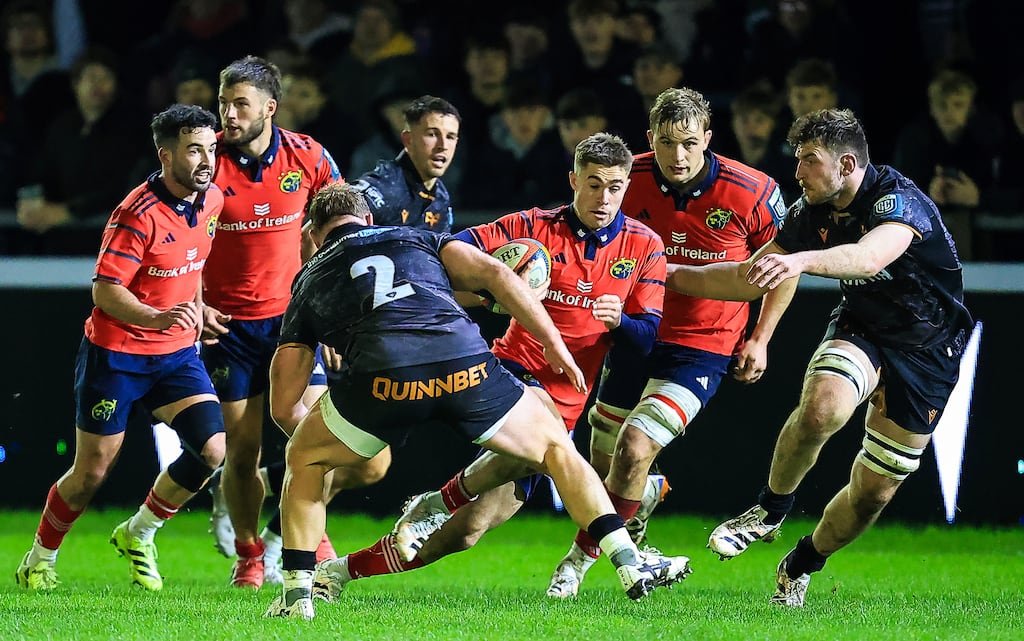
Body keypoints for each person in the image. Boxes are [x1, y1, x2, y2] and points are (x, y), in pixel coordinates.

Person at [263, 182, 687, 620]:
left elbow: (284, 399)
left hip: (382, 380)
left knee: (304, 459)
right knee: (557, 448)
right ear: (370, 219)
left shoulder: (308, 280)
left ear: (314, 235)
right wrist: (553, 341)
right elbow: (498, 275)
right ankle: (626, 560)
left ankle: (297, 595)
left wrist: (322, 438)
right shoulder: (415, 237)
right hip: (463, 363)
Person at [677, 108, 974, 607]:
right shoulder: (809, 211)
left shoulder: (900, 202)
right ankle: (769, 510)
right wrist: (664, 273)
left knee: (874, 494)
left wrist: (799, 260)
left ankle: (801, 562)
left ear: (848, 163)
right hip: (863, 328)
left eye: (809, 160)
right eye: (797, 159)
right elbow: (747, 276)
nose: (797, 172)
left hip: (929, 350)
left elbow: (867, 258)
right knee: (821, 408)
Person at [545, 86, 793, 598]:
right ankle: (641, 524)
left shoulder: (753, 191)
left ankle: (577, 563)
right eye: (665, 143)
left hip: (705, 343)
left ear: (707, 137)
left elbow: (783, 267)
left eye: (688, 143)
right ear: (649, 139)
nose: (677, 157)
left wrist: (762, 336)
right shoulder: (621, 178)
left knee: (636, 448)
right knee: (605, 459)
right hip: (636, 331)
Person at [14, 103, 225, 591]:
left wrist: (198, 310)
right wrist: (157, 316)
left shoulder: (210, 200)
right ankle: (40, 558)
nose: (207, 160)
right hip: (118, 355)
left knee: (213, 450)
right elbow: (106, 290)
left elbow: (193, 264)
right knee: (91, 472)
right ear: (165, 155)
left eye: (211, 148)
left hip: (175, 355)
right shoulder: (136, 213)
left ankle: (139, 531)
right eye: (194, 150)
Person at [201, 55, 342, 589]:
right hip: (228, 329)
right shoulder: (205, 159)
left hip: (294, 324)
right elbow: (177, 228)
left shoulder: (309, 156)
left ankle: (306, 537)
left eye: (240, 105)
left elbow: (342, 227)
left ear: (270, 108)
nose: (229, 115)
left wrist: (329, 314)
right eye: (224, 104)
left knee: (320, 438)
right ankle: (249, 553)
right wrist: (195, 304)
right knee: (243, 453)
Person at [349, 95, 460, 233]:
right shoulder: (383, 188)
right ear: (408, 140)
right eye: (432, 134)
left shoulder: (441, 196)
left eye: (450, 137)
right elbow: (334, 217)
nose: (443, 145)